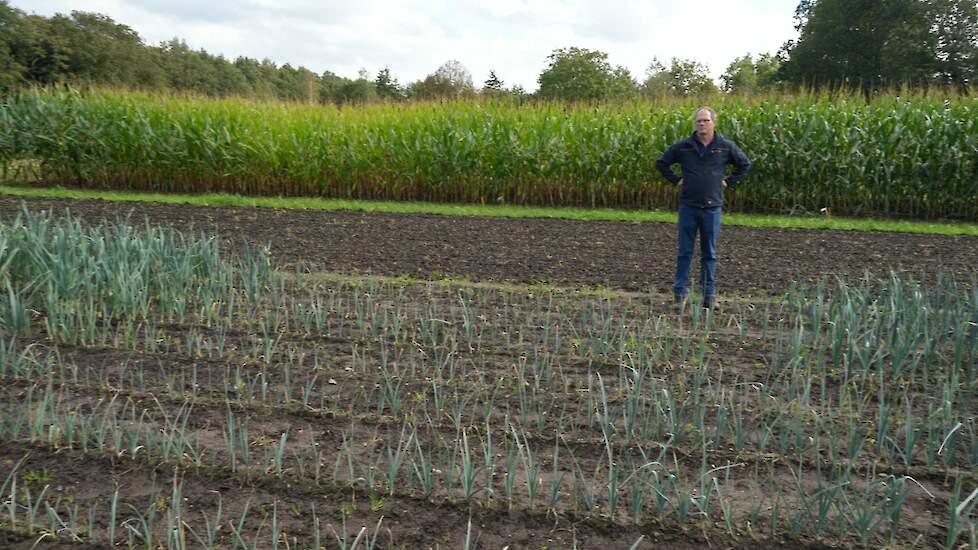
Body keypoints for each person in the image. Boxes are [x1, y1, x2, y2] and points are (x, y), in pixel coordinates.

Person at [655, 107, 751, 310]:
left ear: (713, 122)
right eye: (699, 121)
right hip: (688, 207)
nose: (702, 124)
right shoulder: (684, 147)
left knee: (709, 254)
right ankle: (680, 297)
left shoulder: (724, 147)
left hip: (712, 208)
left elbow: (744, 164)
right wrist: (676, 180)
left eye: (705, 121)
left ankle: (709, 296)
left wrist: (729, 182)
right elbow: (662, 163)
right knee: (685, 253)